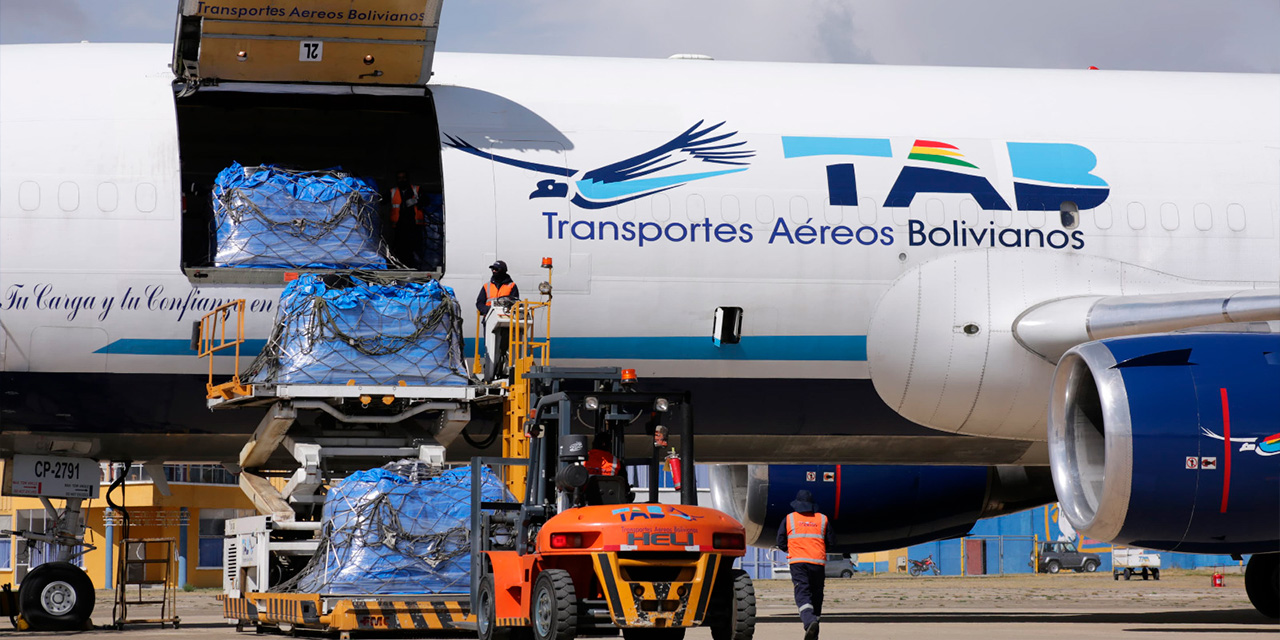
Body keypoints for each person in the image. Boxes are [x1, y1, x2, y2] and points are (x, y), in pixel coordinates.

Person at [777, 490, 834, 640]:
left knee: (802, 593)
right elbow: (831, 542)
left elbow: (780, 541)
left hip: (798, 563)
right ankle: (814, 633)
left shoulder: (789, 519)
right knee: (816, 597)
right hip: (817, 563)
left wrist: (793, 549)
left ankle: (809, 622)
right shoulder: (822, 519)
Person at [390, 172, 426, 268]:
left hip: (414, 226)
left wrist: (417, 201)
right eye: (399, 178)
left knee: (415, 249)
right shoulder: (393, 191)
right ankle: (400, 267)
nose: (402, 180)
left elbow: (427, 201)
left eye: (404, 178)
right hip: (399, 227)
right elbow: (381, 201)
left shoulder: (416, 190)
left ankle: (416, 267)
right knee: (399, 249)